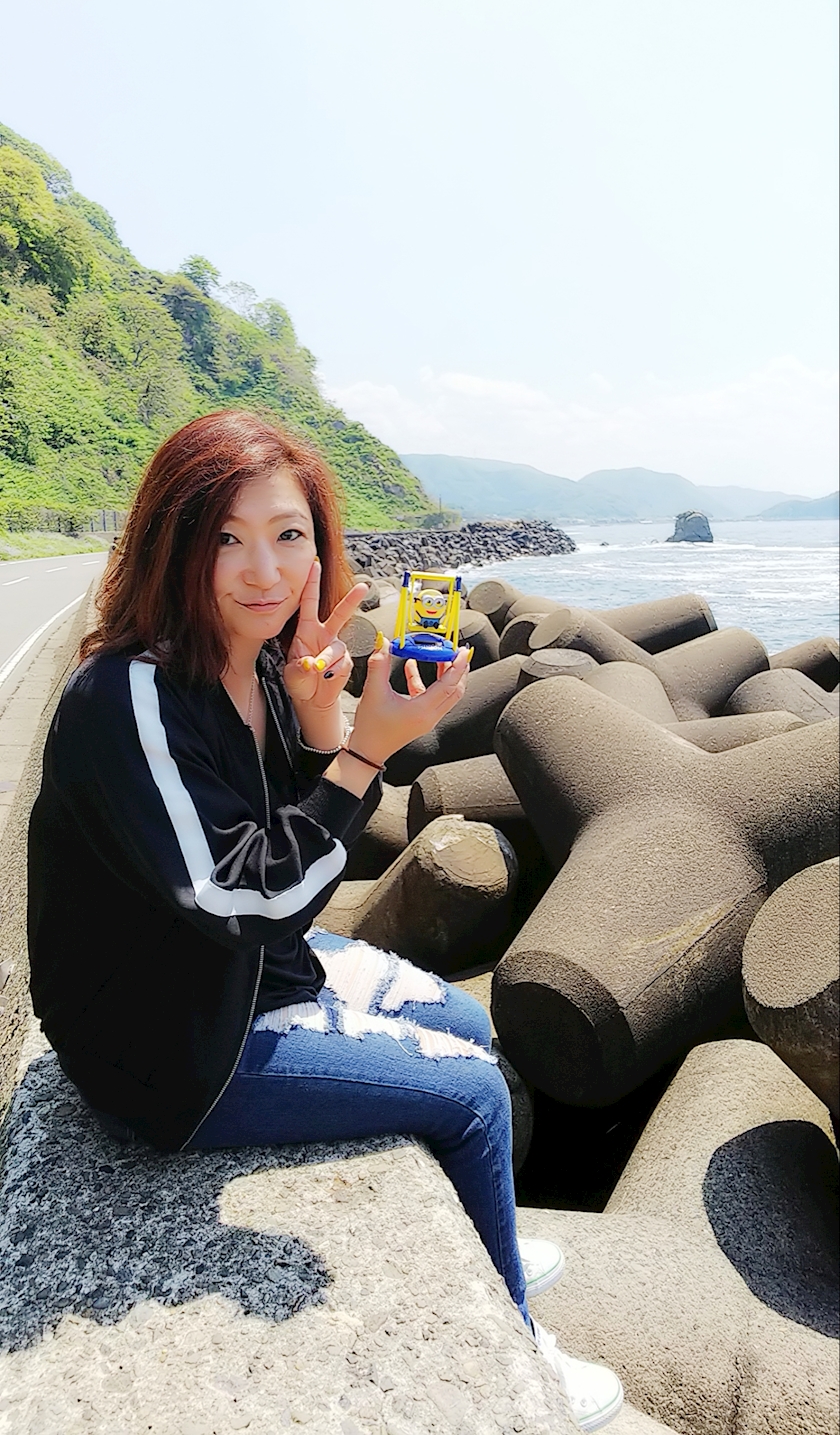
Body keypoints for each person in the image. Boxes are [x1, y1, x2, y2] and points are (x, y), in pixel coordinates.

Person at [28, 410, 622, 1431]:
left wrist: (314, 722)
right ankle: (521, 1350)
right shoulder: (130, 695)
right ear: (172, 542)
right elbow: (246, 897)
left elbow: (270, 845)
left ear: (320, 547)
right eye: (225, 537)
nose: (263, 570)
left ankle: (486, 1239)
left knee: (469, 1022)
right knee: (475, 1095)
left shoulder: (258, 660)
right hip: (164, 1047)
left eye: (289, 535)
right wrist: (363, 752)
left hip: (225, 972)